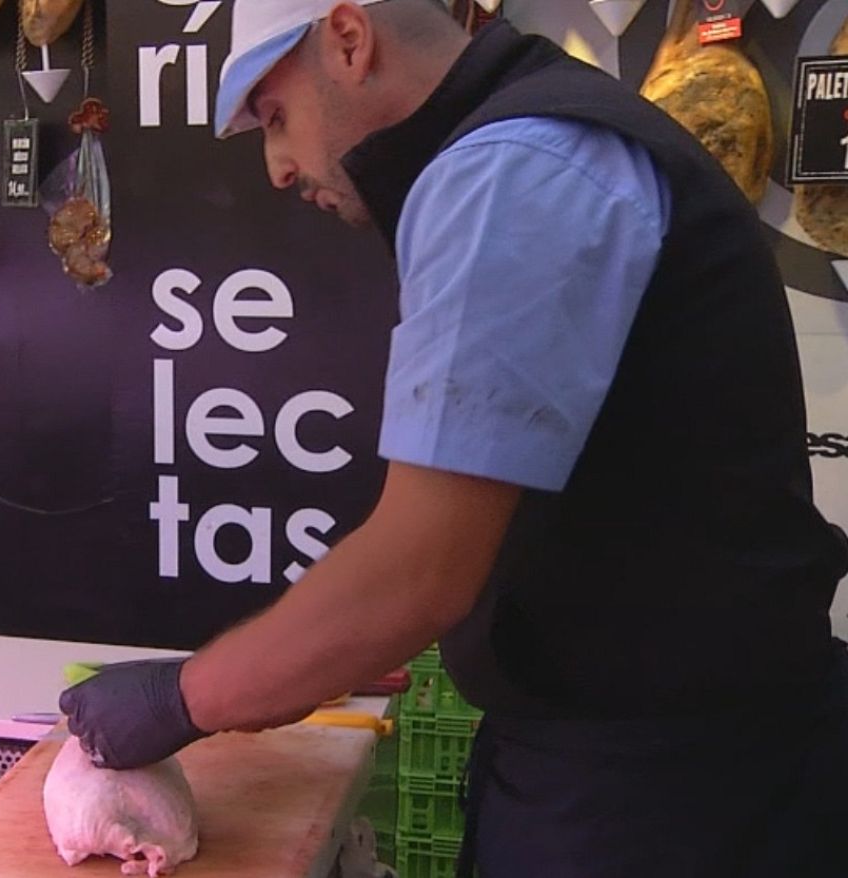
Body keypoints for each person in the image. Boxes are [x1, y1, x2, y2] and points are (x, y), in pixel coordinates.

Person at [58, 2, 848, 875]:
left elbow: (417, 575)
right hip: (670, 758)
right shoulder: (545, 138)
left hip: (671, 797)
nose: (277, 167)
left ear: (349, 41)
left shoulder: (511, 170)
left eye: (276, 117)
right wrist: (312, 659)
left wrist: (183, 699)